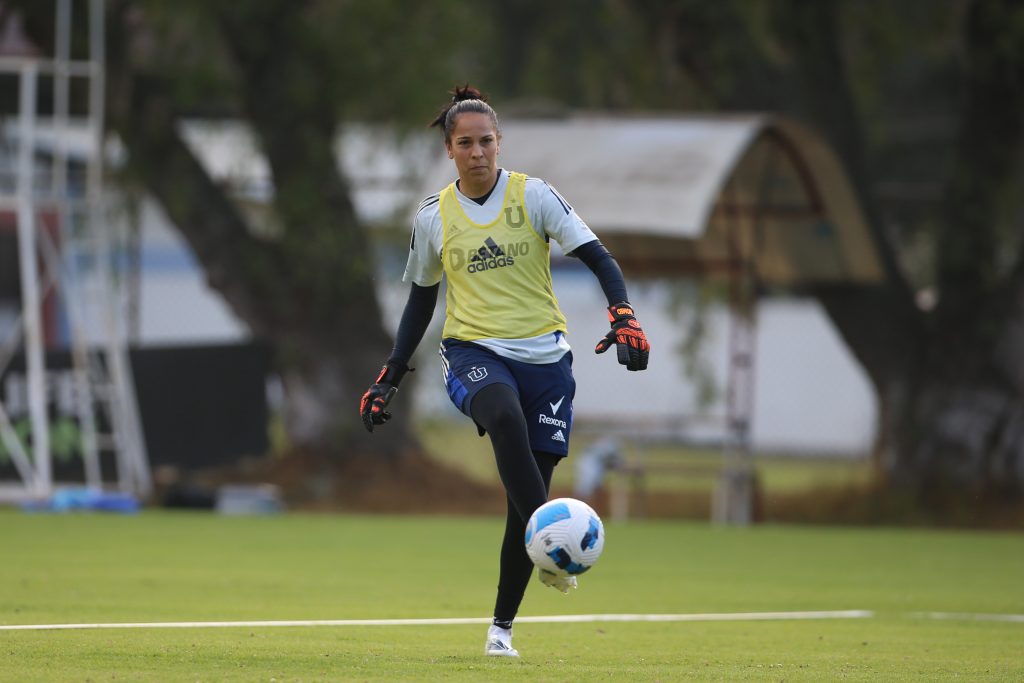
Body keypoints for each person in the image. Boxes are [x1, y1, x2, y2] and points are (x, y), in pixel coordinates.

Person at [359, 85, 650, 658]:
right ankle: (552, 539)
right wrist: (390, 374)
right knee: (504, 418)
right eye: (465, 143)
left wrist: (623, 314)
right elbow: (421, 300)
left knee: (525, 499)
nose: (477, 152)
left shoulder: (534, 196)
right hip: (473, 353)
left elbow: (599, 257)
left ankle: (501, 632)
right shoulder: (433, 217)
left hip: (547, 362)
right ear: (449, 150)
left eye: (486, 141)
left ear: (499, 143)